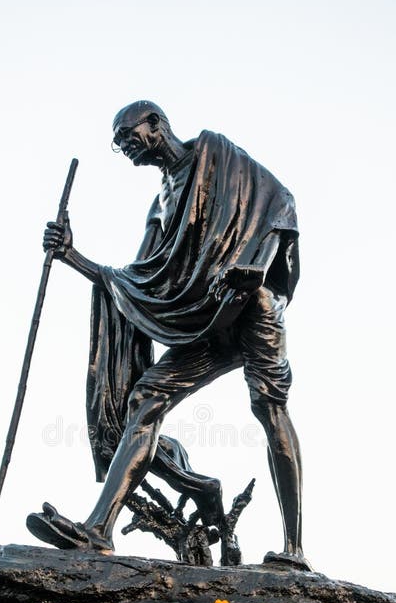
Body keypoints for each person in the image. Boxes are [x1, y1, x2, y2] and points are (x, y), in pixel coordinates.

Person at [27, 101, 310, 570]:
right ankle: (98, 530)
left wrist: (256, 267)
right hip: (208, 320)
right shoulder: (160, 205)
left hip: (254, 304)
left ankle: (294, 550)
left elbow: (280, 204)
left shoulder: (218, 156)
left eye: (127, 136)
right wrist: (71, 255)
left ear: (155, 124)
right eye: (118, 144)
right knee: (146, 398)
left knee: (270, 407)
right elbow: (134, 279)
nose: (124, 148)